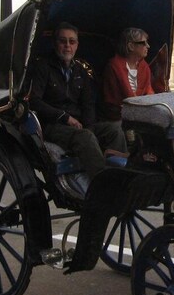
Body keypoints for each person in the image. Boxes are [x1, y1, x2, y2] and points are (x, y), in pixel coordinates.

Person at [29, 22, 127, 186]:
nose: (67, 46)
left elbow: (88, 103)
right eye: (63, 41)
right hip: (53, 125)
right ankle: (103, 186)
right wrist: (65, 118)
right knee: (85, 137)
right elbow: (35, 101)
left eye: (72, 42)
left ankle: (119, 176)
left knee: (114, 131)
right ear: (55, 43)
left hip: (79, 125)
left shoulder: (80, 71)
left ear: (77, 45)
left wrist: (89, 127)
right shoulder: (43, 67)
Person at [101, 27, 154, 122]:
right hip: (117, 116)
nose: (148, 46)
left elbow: (149, 92)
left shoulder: (144, 66)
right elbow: (114, 101)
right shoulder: (114, 66)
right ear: (131, 46)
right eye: (143, 43)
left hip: (140, 112)